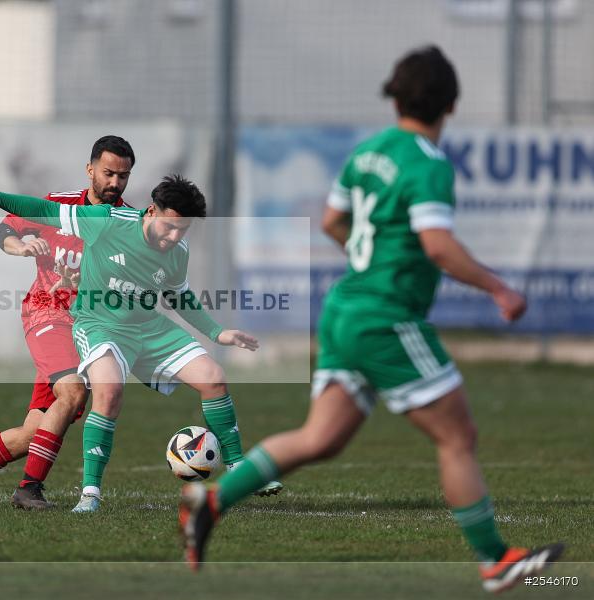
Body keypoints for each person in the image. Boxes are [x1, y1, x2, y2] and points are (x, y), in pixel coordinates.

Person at [178, 46, 563, 593]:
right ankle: (495, 559)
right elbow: (438, 245)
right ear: (449, 104)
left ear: (396, 97)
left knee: (321, 438)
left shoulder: (368, 152)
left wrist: (367, 257)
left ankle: (211, 501)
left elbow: (333, 220)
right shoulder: (427, 164)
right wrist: (498, 286)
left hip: (344, 310)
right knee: (458, 435)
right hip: (384, 316)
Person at [0, 175, 283, 513]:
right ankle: (90, 494)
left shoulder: (178, 250)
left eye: (183, 231)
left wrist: (217, 333)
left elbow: (178, 295)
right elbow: (42, 209)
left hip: (147, 326)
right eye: (170, 226)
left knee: (213, 377)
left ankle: (237, 466)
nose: (174, 237)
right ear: (151, 212)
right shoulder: (106, 222)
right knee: (109, 391)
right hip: (100, 325)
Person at [0, 135, 135, 510]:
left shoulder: (125, 222)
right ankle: (28, 489)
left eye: (123, 177)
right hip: (46, 313)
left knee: (36, 430)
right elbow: (2, 232)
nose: (114, 184)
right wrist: (21, 246)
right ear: (90, 170)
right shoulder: (57, 206)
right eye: (108, 173)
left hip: (85, 330)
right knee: (74, 393)